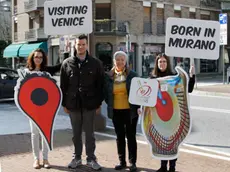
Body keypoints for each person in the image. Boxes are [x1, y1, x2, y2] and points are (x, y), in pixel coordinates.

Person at [139, 53, 195, 172]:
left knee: (172, 141)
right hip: (157, 115)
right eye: (160, 62)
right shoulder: (152, 79)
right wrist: (141, 109)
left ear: (167, 63)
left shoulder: (174, 78)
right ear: (157, 64)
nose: (162, 64)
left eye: (164, 62)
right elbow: (145, 98)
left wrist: (192, 75)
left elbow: (188, 89)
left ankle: (172, 167)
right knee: (161, 142)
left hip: (173, 114)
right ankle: (163, 167)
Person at [60, 34, 104, 171]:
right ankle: (77, 158)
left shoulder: (95, 63)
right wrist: (64, 104)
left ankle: (91, 158)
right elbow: (63, 86)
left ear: (87, 45)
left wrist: (98, 103)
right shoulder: (67, 63)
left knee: (90, 134)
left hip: (90, 104)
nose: (81, 47)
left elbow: (100, 85)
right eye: (79, 44)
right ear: (75, 45)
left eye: (83, 44)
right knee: (76, 134)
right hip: (73, 105)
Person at [25, 48, 66, 169]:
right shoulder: (27, 72)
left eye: (40, 57)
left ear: (43, 59)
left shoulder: (47, 71)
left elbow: (60, 65)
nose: (38, 59)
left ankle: (46, 159)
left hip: (46, 108)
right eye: (36, 57)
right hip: (32, 108)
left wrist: (71, 53)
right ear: (32, 58)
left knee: (45, 133)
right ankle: (36, 159)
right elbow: (22, 91)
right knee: (34, 134)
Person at [104, 51, 139, 172]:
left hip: (130, 111)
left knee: (131, 137)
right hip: (116, 111)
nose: (120, 62)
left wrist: (139, 106)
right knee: (119, 137)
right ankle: (122, 162)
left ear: (126, 62)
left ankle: (132, 162)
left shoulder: (133, 75)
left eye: (122, 60)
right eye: (117, 59)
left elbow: (139, 92)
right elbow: (106, 93)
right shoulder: (109, 76)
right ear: (114, 61)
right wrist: (110, 104)